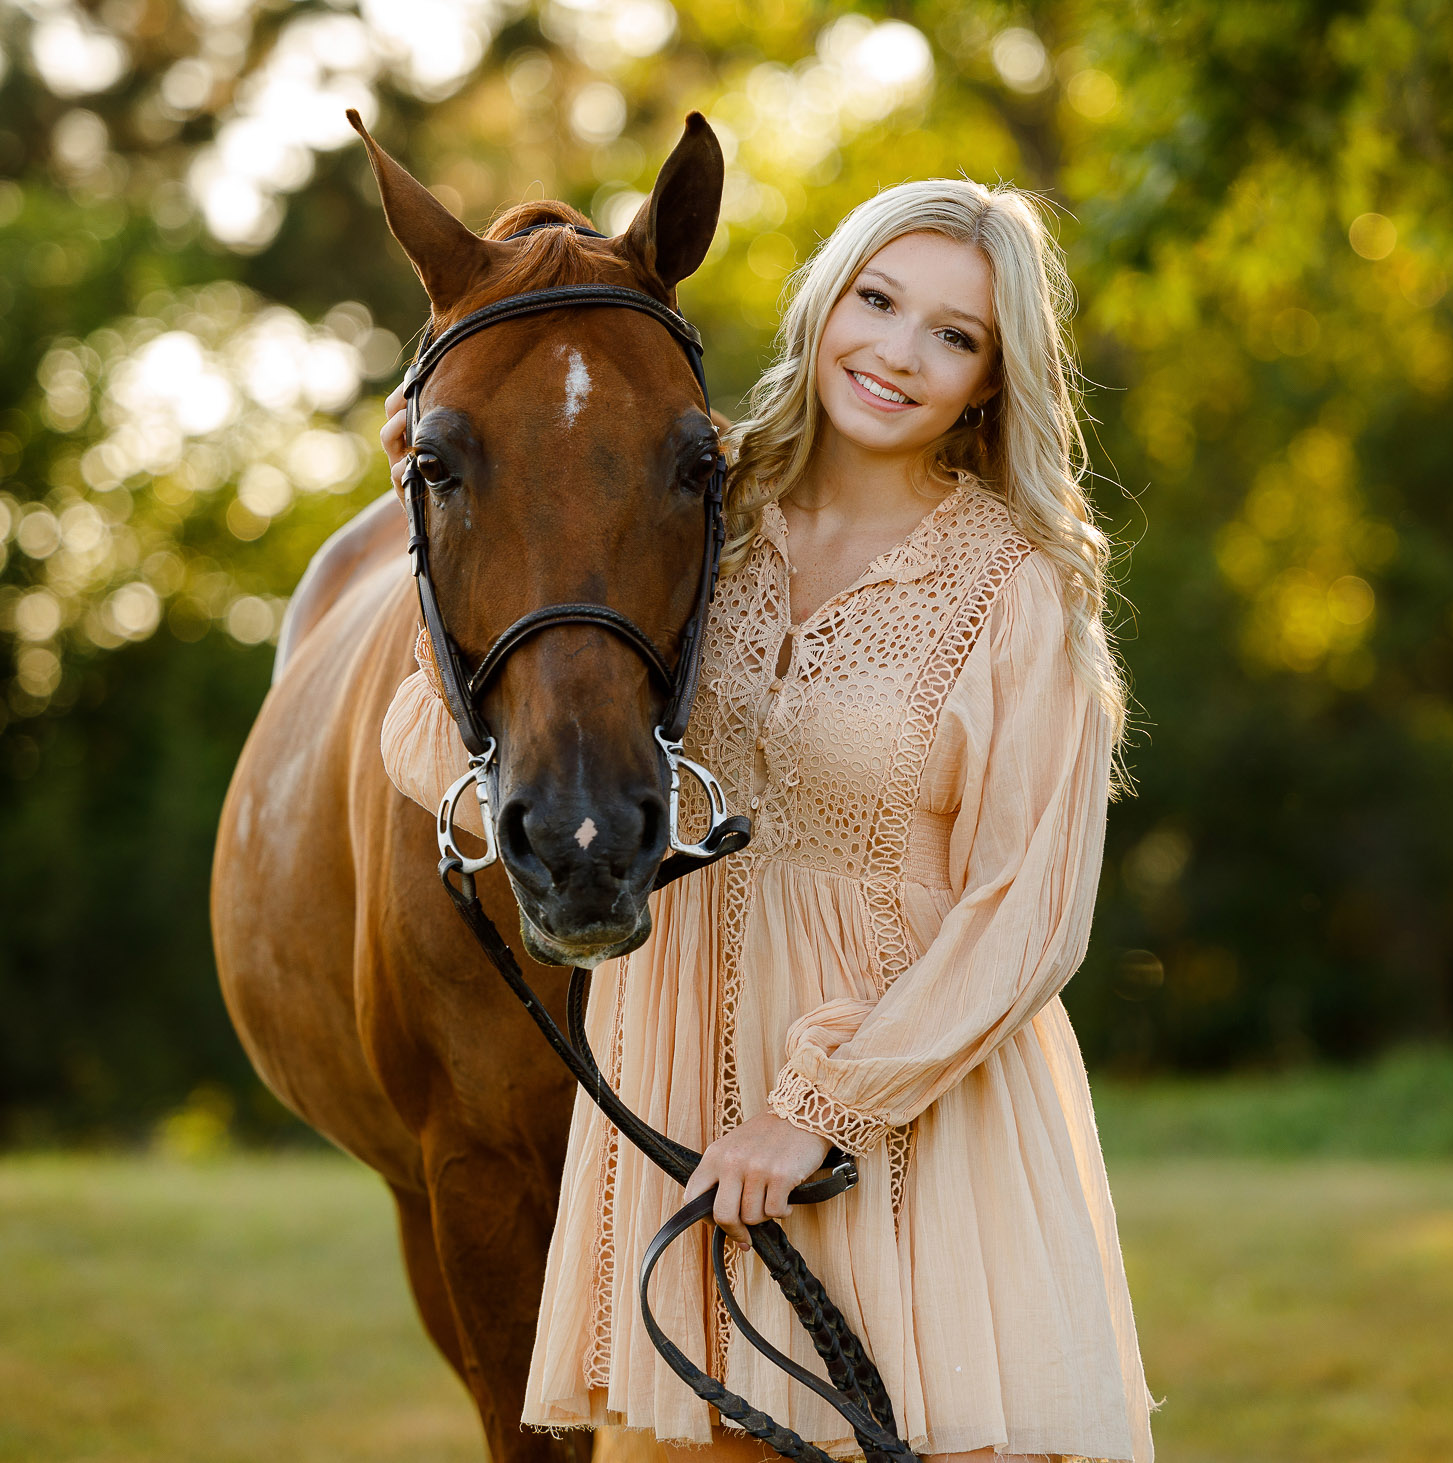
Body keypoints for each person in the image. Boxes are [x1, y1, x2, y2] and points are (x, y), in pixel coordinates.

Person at [376, 179, 1153, 1463]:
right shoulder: (700, 520)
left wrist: (815, 1111)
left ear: (994, 376)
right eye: (878, 300)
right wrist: (439, 483)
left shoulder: (1016, 587)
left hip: (903, 1129)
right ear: (826, 303)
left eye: (952, 335)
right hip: (683, 1118)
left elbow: (1028, 912)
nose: (898, 353)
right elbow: (449, 731)